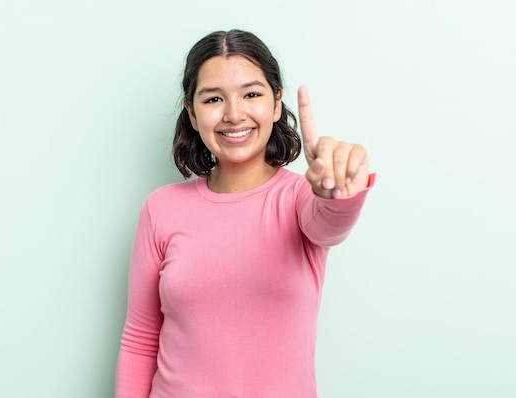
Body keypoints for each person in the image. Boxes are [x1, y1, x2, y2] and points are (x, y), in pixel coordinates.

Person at [115, 29, 375, 398]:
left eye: (251, 94)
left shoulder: (301, 198)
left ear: (275, 102)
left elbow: (330, 225)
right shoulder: (160, 208)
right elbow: (140, 338)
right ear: (191, 112)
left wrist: (338, 192)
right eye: (213, 99)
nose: (234, 114)